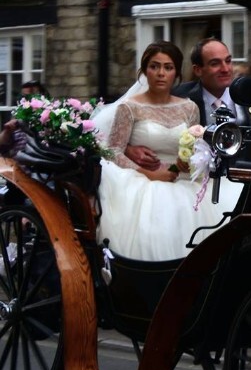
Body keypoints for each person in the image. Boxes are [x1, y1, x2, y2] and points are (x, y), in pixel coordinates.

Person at [95, 40, 241, 261]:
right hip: (142, 180)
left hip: (181, 178)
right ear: (145, 71)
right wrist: (150, 173)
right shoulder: (130, 108)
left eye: (168, 67)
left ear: (177, 74)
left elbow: (195, 148)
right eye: (154, 67)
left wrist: (187, 163)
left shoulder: (189, 107)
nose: (161, 73)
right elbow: (114, 151)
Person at [126, 38, 251, 171]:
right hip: (197, 180)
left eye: (228, 61)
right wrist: (129, 149)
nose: (225, 69)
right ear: (198, 70)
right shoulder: (179, 96)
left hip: (245, 179)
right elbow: (144, 128)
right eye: (215, 64)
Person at [0, 79, 50, 157]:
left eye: (33, 96)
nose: (29, 102)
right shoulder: (17, 121)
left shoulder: (52, 121)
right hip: (22, 166)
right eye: (24, 98)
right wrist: (7, 130)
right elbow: (2, 146)